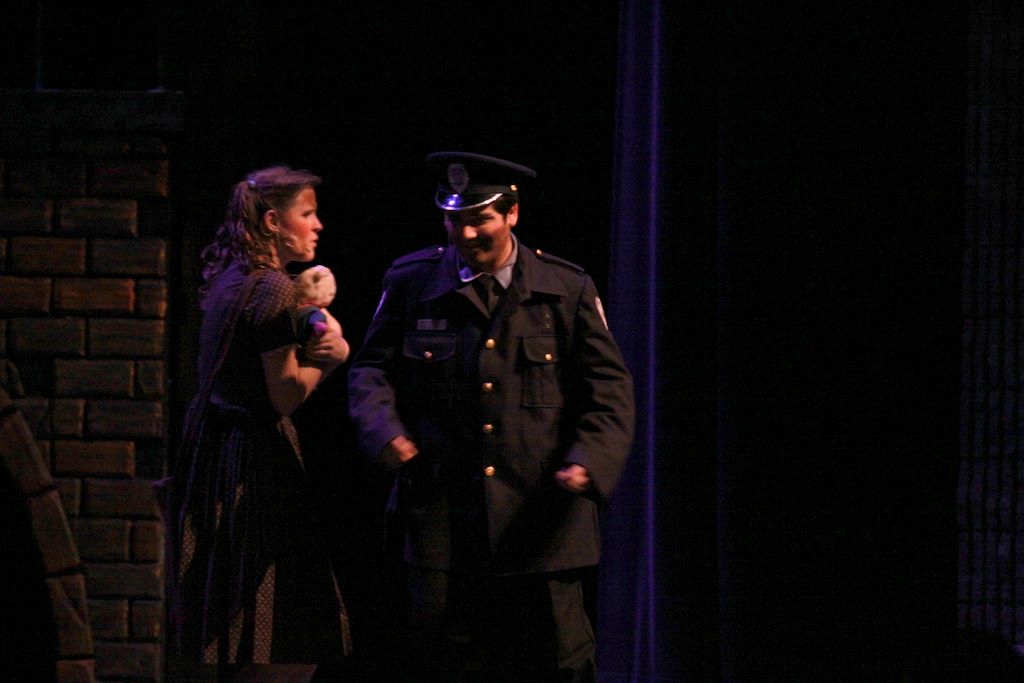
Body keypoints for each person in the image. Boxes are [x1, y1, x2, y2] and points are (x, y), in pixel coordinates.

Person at [347, 151, 635, 681]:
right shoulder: (412, 281)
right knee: (442, 662)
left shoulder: (564, 288)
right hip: (441, 517)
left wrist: (590, 460)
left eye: (479, 219)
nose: (465, 234)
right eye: (454, 219)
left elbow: (609, 390)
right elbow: (370, 370)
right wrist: (382, 430)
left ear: (512, 214)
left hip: (542, 520)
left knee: (559, 663)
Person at [164, 166, 351, 678]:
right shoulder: (272, 288)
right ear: (273, 222)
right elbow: (284, 394)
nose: (317, 225)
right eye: (307, 214)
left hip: (217, 456)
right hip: (255, 467)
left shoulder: (233, 280)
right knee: (282, 639)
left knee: (237, 634)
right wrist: (329, 362)